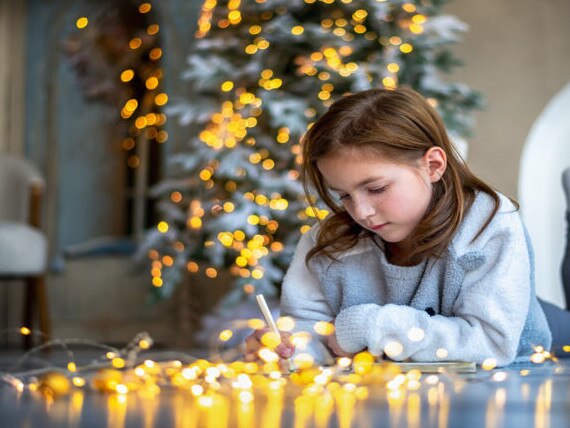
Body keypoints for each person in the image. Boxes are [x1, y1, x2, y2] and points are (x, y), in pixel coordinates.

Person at [246, 87, 568, 367]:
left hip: (531, 337)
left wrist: (370, 326)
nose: (361, 211)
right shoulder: (329, 241)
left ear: (433, 166)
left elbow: (491, 344)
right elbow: (314, 333)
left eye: (376, 189)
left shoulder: (490, 223)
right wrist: (290, 350)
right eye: (343, 195)